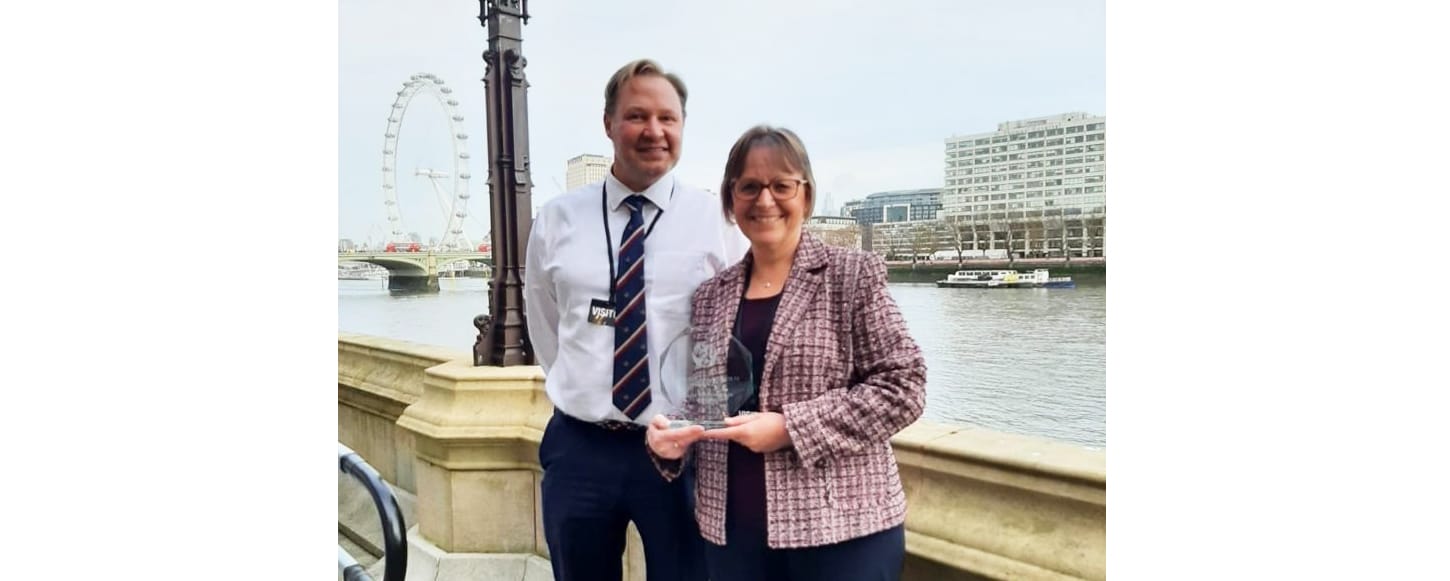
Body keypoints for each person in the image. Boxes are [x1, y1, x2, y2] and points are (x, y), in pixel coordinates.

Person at [644, 125, 927, 581]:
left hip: (841, 534)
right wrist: (671, 442)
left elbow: (904, 387)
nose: (765, 200)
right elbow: (706, 402)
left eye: (781, 185)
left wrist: (791, 428)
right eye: (749, 187)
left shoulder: (851, 276)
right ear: (731, 199)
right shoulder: (710, 296)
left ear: (807, 196)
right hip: (731, 534)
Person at [524, 59, 747, 581]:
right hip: (580, 446)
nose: (654, 131)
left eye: (668, 118)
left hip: (680, 450)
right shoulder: (557, 219)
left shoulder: (716, 219)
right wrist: (584, 389)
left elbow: (738, 329)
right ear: (608, 124)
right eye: (637, 116)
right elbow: (545, 324)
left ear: (683, 127)